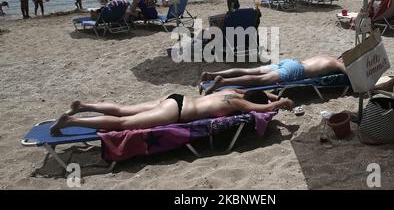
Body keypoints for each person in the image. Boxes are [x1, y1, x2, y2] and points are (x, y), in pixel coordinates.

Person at [49, 89, 294, 136]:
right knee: (124, 123)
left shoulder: (232, 91)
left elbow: (262, 97)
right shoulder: (239, 104)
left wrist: (274, 94)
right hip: (177, 112)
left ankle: (83, 106)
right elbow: (265, 107)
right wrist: (282, 102)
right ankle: (72, 119)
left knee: (124, 110)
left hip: (174, 97)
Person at [200, 55, 346, 95]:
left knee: (251, 70)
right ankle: (223, 82)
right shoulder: (335, 63)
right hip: (296, 70)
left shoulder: (325, 56)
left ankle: (212, 74)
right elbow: (349, 72)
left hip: (290, 61)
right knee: (261, 80)